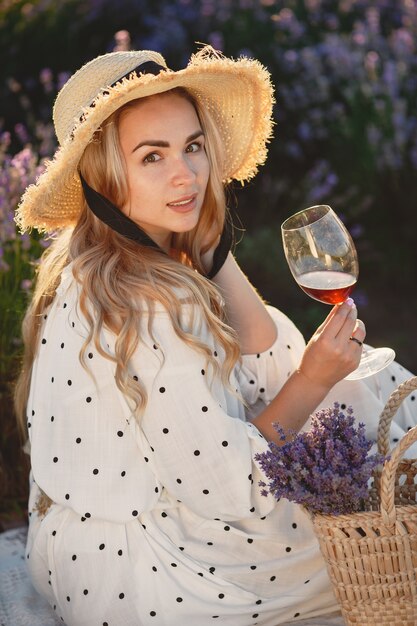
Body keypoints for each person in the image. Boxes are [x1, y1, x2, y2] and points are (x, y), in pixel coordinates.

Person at [14, 46, 416, 626]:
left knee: (362, 387)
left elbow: (264, 364)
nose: (187, 175)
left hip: (74, 550)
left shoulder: (106, 259)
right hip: (148, 574)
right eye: (152, 156)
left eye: (193, 147)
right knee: (374, 528)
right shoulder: (144, 297)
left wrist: (209, 245)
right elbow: (234, 491)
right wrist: (315, 378)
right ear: (105, 174)